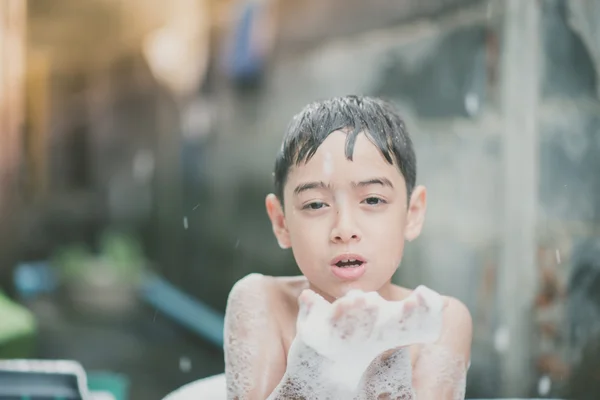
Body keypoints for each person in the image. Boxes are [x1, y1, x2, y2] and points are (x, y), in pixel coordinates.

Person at [224, 95, 473, 399]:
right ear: (281, 222)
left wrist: (383, 351)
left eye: (372, 200)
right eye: (316, 204)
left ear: (413, 213)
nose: (344, 230)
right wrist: (314, 363)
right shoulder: (262, 303)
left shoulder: (439, 321)